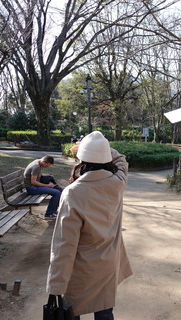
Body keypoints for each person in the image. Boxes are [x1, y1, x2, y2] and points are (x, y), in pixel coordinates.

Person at [47, 131, 132, 320]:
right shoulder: (118, 182)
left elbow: (64, 245)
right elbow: (121, 160)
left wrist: (56, 286)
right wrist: (99, 147)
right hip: (109, 263)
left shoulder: (73, 193)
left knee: (70, 311)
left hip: (82, 269)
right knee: (104, 310)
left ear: (81, 160)